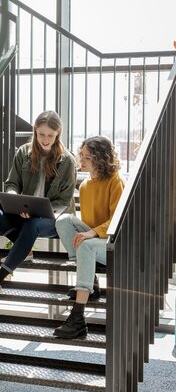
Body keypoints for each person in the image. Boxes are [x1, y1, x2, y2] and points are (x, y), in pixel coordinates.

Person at [0, 110, 77, 306]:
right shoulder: (23, 152)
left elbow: (63, 202)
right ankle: (23, 246)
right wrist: (14, 200)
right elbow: (12, 183)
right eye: (41, 134)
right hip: (24, 212)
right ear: (35, 131)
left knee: (32, 223)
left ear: (58, 134)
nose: (45, 139)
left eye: (50, 135)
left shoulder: (68, 161)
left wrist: (37, 213)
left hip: (53, 219)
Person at [53, 136, 125, 339]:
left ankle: (77, 318)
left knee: (86, 245)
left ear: (101, 159)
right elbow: (89, 223)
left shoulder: (115, 181)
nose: (81, 161)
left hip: (114, 242)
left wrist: (92, 233)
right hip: (96, 239)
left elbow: (117, 221)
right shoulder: (84, 186)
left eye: (87, 157)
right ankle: (90, 283)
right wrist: (90, 233)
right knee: (64, 221)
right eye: (81, 155)